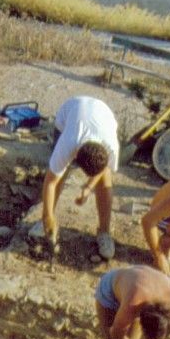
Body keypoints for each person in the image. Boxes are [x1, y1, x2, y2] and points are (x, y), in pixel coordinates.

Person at [40, 96, 119, 260]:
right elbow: (50, 182)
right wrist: (47, 216)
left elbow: (104, 168)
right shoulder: (68, 142)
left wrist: (88, 188)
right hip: (68, 114)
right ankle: (48, 221)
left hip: (103, 113)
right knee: (60, 173)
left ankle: (104, 232)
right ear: (75, 155)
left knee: (105, 181)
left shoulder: (111, 146)